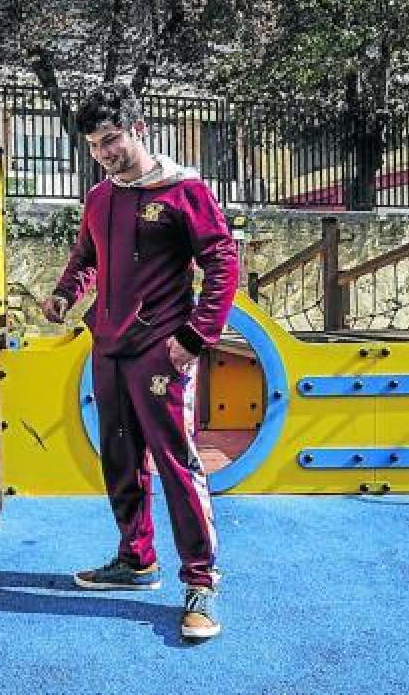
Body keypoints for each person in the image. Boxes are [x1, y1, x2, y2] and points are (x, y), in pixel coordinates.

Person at [41, 83, 239, 640]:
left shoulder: (183, 190)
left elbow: (223, 265)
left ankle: (200, 584)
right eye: (96, 145)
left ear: (140, 129)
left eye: (113, 140)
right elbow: (86, 258)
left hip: (161, 350)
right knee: (119, 458)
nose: (106, 153)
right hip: (108, 346)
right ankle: (136, 558)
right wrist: (63, 293)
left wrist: (196, 337)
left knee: (177, 463)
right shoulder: (101, 197)